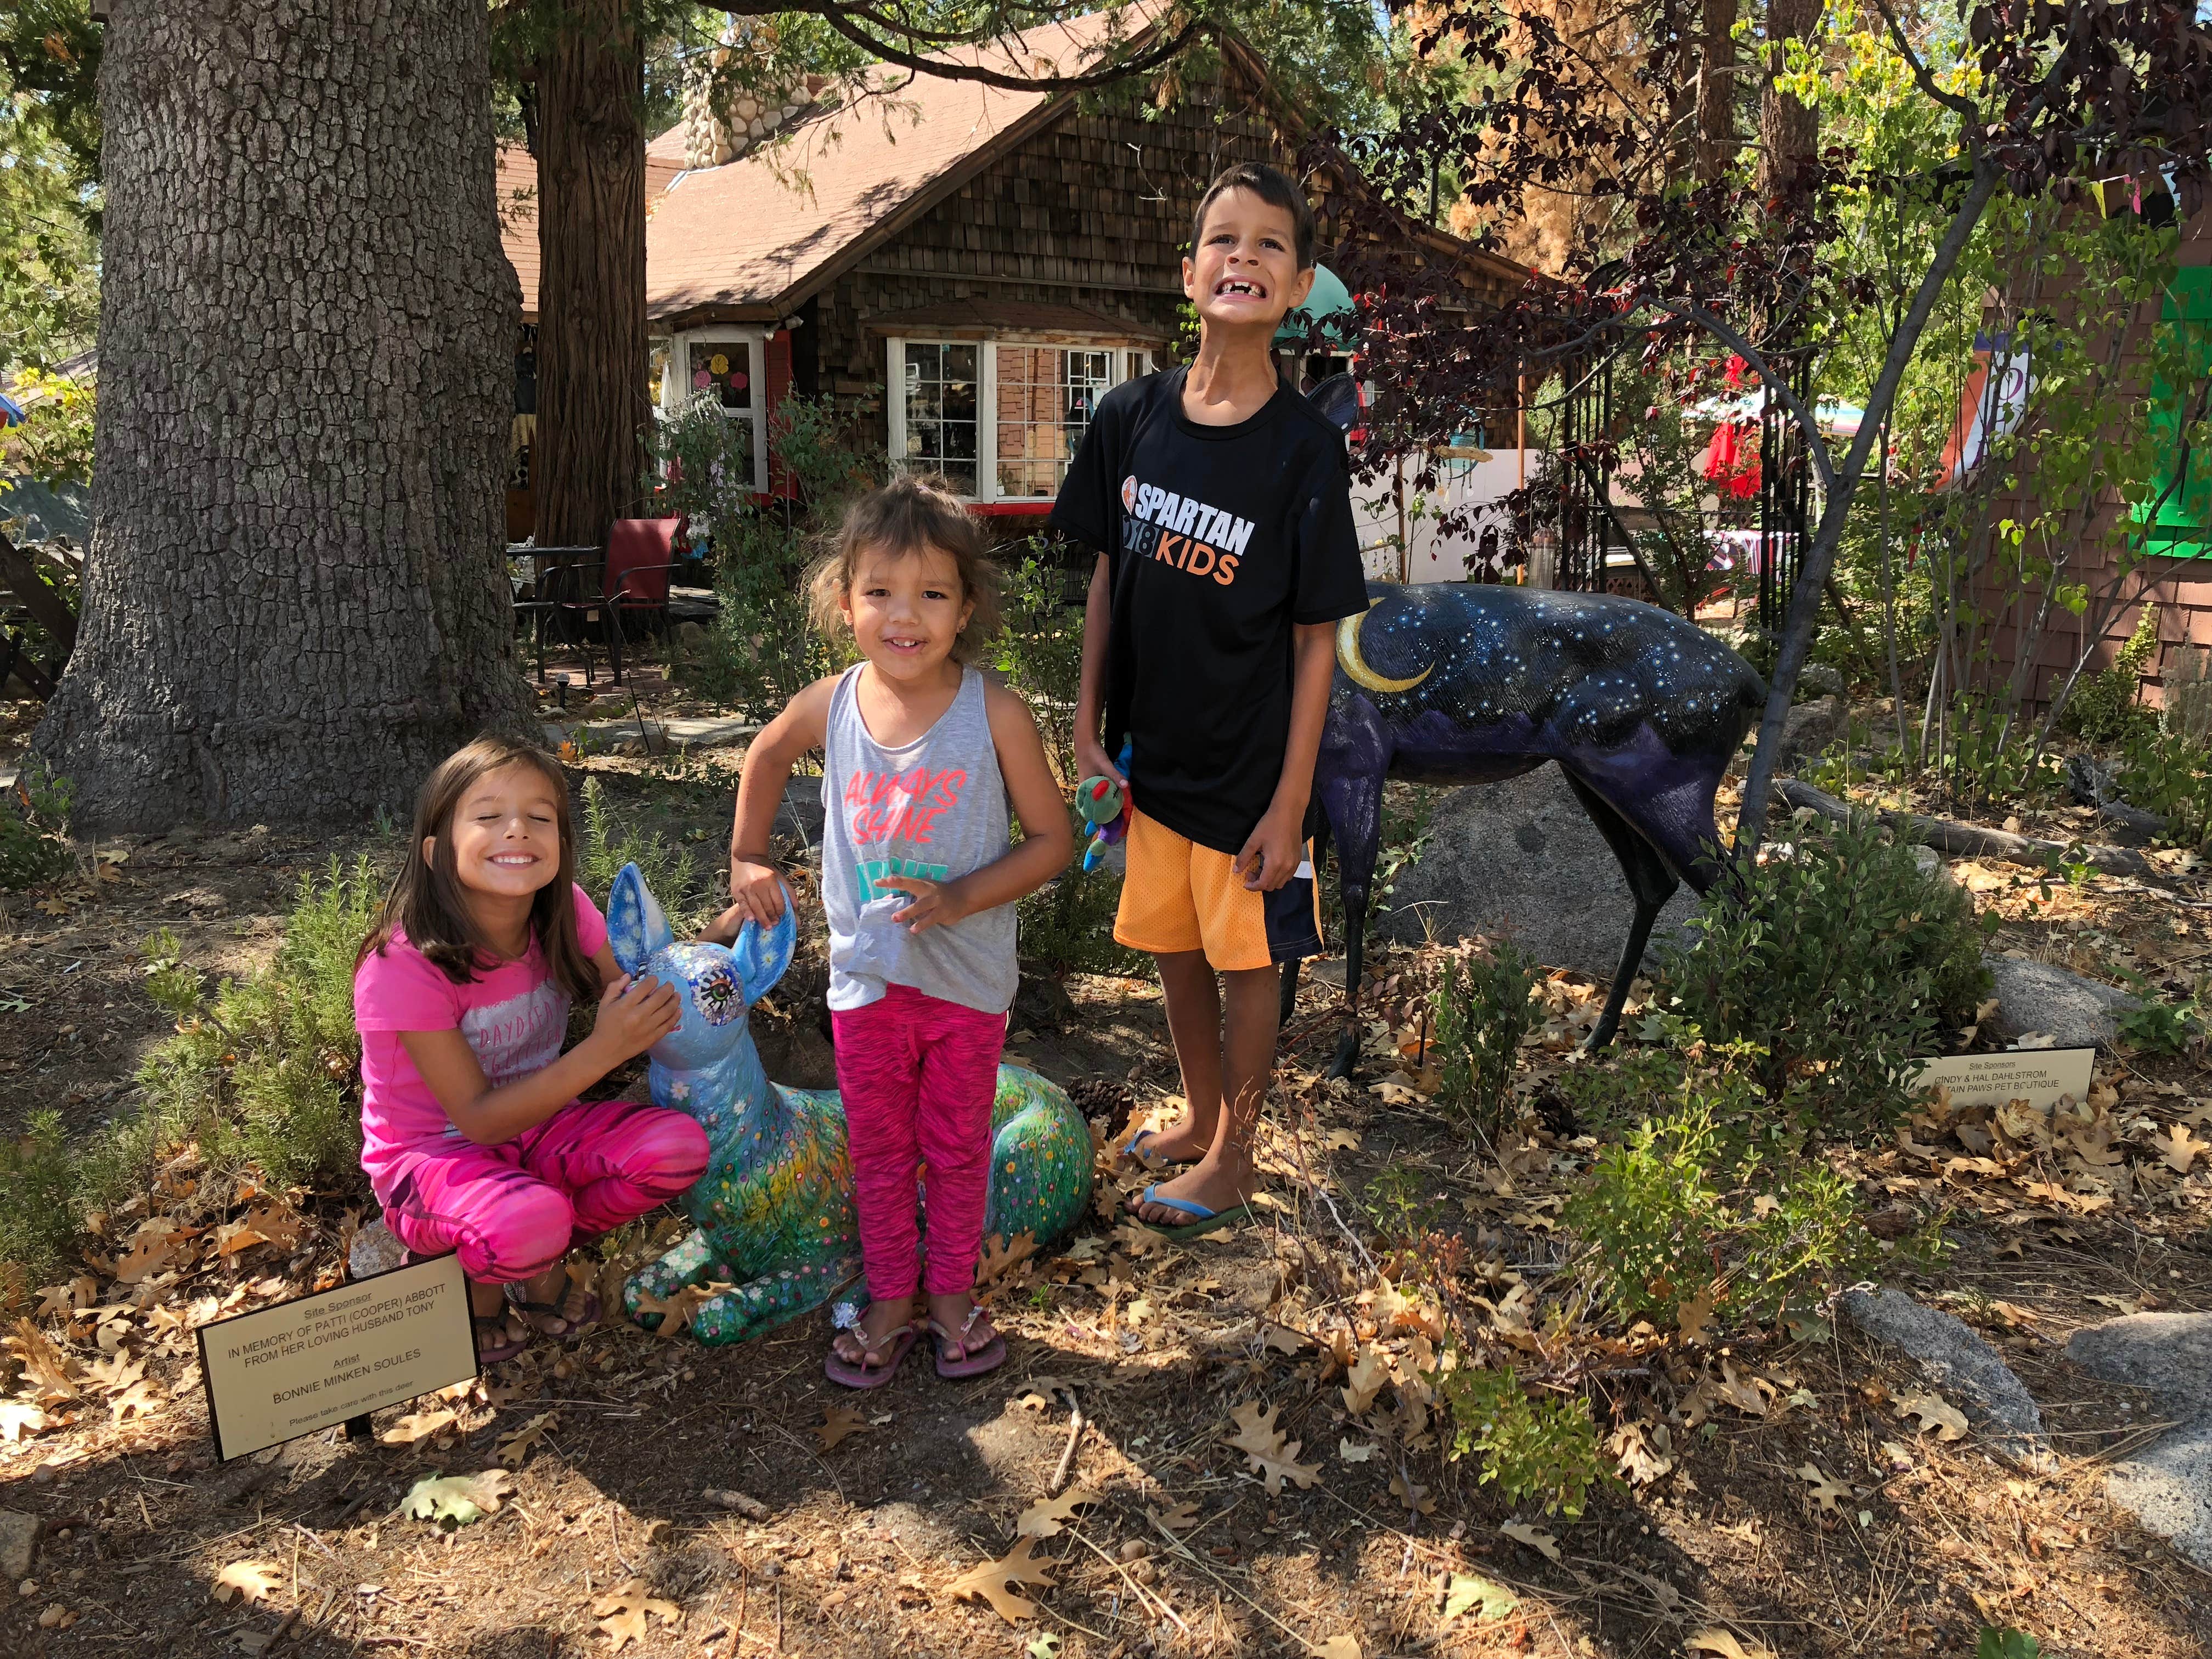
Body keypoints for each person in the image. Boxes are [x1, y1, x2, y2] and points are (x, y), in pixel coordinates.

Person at [1051, 161, 1369, 1238]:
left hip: (1248, 773)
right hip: (1150, 763)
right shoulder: (1128, 417)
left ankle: (1233, 1159)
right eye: (1223, 240)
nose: (1244, 257)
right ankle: (1196, 1118)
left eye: (1270, 244)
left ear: (1300, 284)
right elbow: (1106, 578)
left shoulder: (1306, 451)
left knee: (1247, 961)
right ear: (1188, 273)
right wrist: (1087, 728)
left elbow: (1317, 641)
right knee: (1175, 947)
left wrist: (1290, 805)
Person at [720, 475, 1073, 1387]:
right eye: (879, 591)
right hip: (867, 984)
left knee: (955, 1146)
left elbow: (1052, 840)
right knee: (878, 1148)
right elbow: (762, 753)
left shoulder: (993, 712)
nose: (902, 614)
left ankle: (950, 1294)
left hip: (964, 980)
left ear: (965, 609)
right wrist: (748, 857)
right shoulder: (829, 704)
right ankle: (888, 1297)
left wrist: (959, 897)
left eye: (930, 593)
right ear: (845, 602)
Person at [353, 737, 709, 1364]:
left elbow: (629, 987)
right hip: (430, 1159)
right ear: (436, 852)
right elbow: (480, 1120)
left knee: (677, 1150)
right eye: (488, 816)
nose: (517, 830)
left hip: (540, 1131)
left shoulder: (566, 912)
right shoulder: (402, 965)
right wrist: (604, 1050)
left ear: (562, 846)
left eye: (540, 817)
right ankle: (482, 1284)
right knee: (527, 1221)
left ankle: (533, 1242)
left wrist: (696, 967)